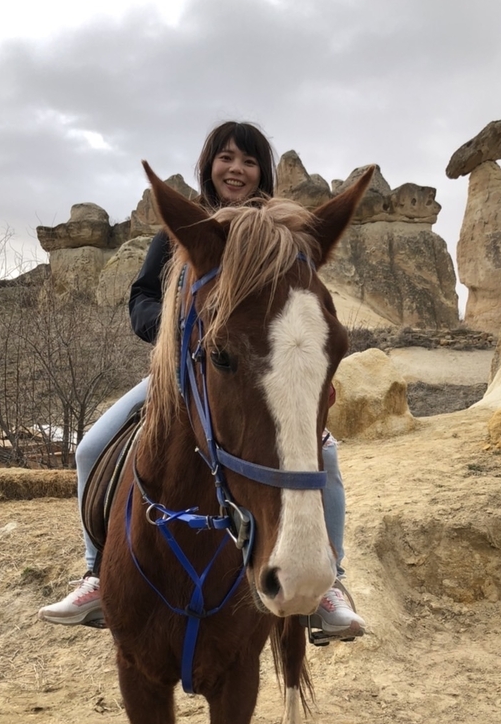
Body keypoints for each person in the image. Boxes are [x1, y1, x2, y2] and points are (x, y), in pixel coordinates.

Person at [38, 121, 365, 637]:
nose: (236, 169)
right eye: (226, 158)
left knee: (323, 454)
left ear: (263, 172)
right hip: (182, 372)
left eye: (249, 161)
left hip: (253, 377)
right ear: (208, 166)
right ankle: (96, 569)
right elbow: (141, 300)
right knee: (88, 450)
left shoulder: (280, 236)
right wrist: (170, 333)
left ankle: (330, 583)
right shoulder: (181, 235)